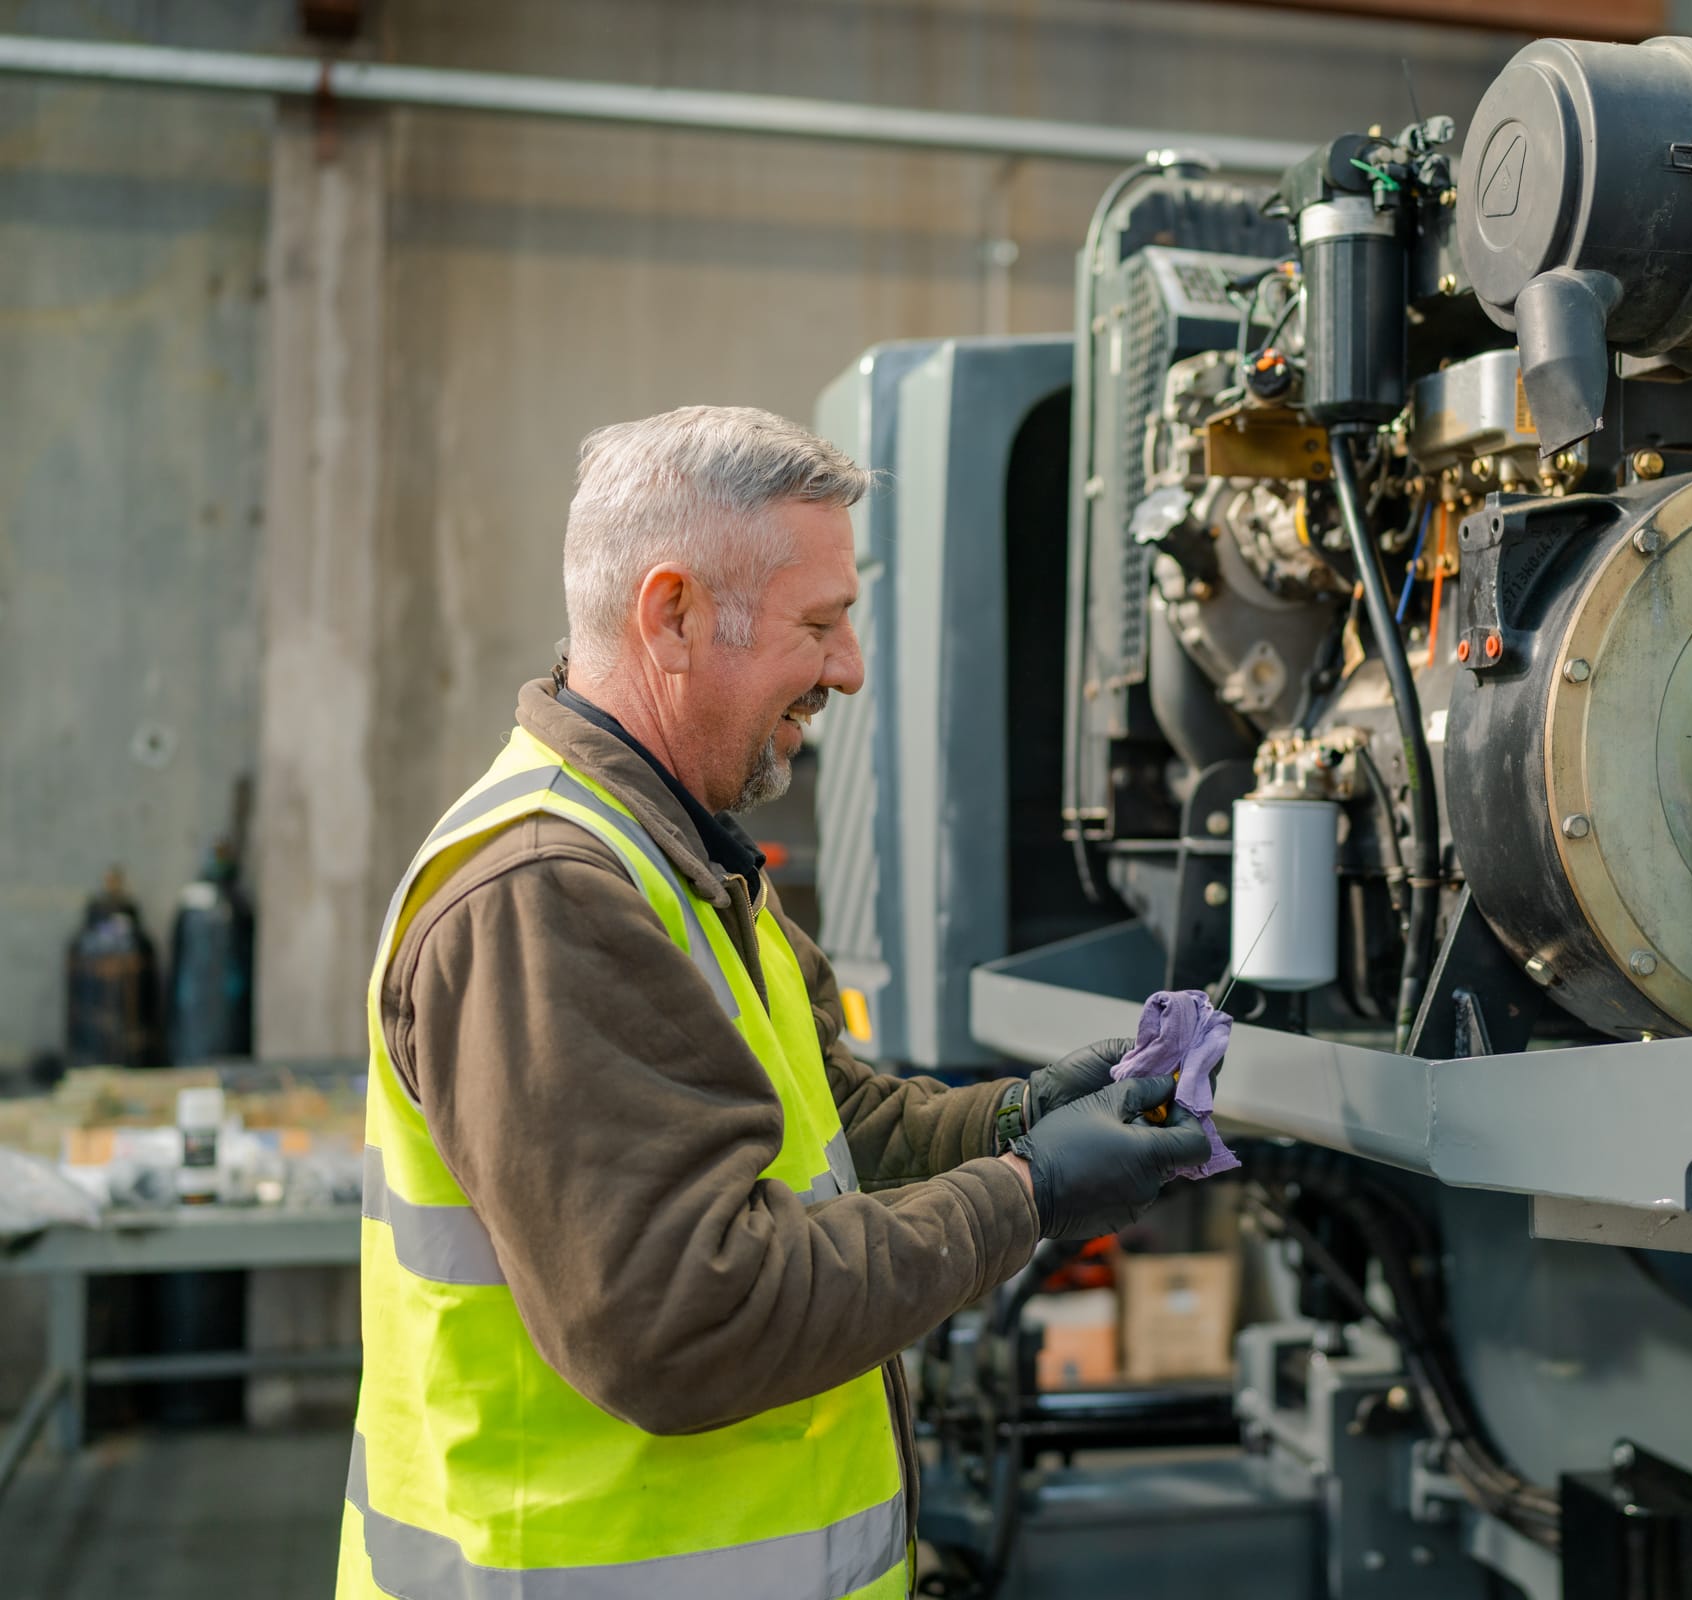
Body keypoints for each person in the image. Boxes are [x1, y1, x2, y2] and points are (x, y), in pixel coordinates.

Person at [335, 405, 1210, 1599]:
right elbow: (687, 1313)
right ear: (674, 615)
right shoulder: (546, 892)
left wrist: (1026, 1116)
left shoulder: (686, 858)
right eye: (822, 624)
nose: (848, 668)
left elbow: (841, 1135)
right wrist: (1030, 1193)